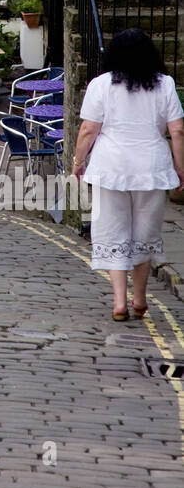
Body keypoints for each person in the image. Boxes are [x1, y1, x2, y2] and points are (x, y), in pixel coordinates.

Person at [73, 28, 184, 321]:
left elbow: (88, 129)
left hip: (111, 168)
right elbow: (177, 130)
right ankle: (140, 299)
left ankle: (119, 302)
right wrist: (180, 167)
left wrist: (78, 161)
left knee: (113, 230)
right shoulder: (166, 85)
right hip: (152, 169)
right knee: (144, 234)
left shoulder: (101, 85)